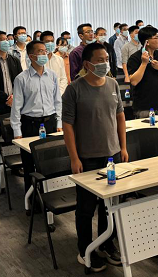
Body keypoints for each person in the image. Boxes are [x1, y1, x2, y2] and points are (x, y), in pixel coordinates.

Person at [63, 42, 126, 271]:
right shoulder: (74, 89)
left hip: (112, 155)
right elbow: (67, 126)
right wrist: (74, 157)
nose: (104, 64)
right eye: (100, 60)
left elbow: (120, 117)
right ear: (87, 64)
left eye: (106, 59)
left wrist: (123, 147)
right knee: (86, 208)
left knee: (110, 205)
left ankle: (106, 243)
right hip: (87, 157)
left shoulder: (112, 84)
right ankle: (85, 249)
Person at [11, 40, 63, 192]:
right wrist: (17, 131)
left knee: (52, 161)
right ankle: (31, 197)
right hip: (30, 124)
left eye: (45, 50)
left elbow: (57, 101)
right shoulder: (21, 78)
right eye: (40, 51)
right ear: (31, 56)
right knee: (29, 163)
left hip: (50, 122)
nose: (44, 53)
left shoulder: (52, 75)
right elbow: (16, 107)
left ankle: (50, 193)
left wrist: (59, 122)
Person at [127, 26, 158, 118]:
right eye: (156, 38)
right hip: (143, 106)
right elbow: (134, 81)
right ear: (147, 42)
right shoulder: (135, 57)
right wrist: (144, 64)